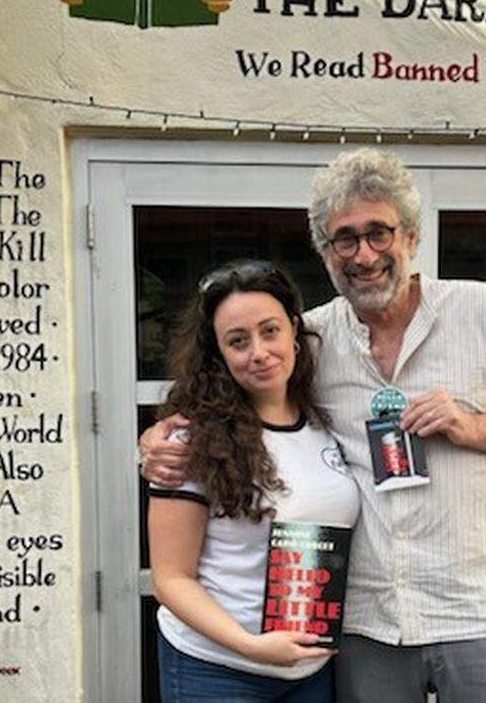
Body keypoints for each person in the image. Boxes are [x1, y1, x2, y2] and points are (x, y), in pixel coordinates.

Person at [144, 149, 486, 703]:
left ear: (412, 237)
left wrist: (471, 426)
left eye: (379, 232)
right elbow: (231, 397)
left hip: (481, 610)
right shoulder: (310, 340)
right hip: (368, 623)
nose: (364, 254)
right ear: (326, 254)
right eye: (344, 240)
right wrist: (159, 439)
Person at [148, 259, 360, 702]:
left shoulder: (324, 421)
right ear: (219, 354)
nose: (259, 352)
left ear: (294, 331)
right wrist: (251, 645)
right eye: (238, 341)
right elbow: (170, 579)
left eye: (270, 331)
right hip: (217, 668)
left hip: (309, 669)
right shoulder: (191, 441)